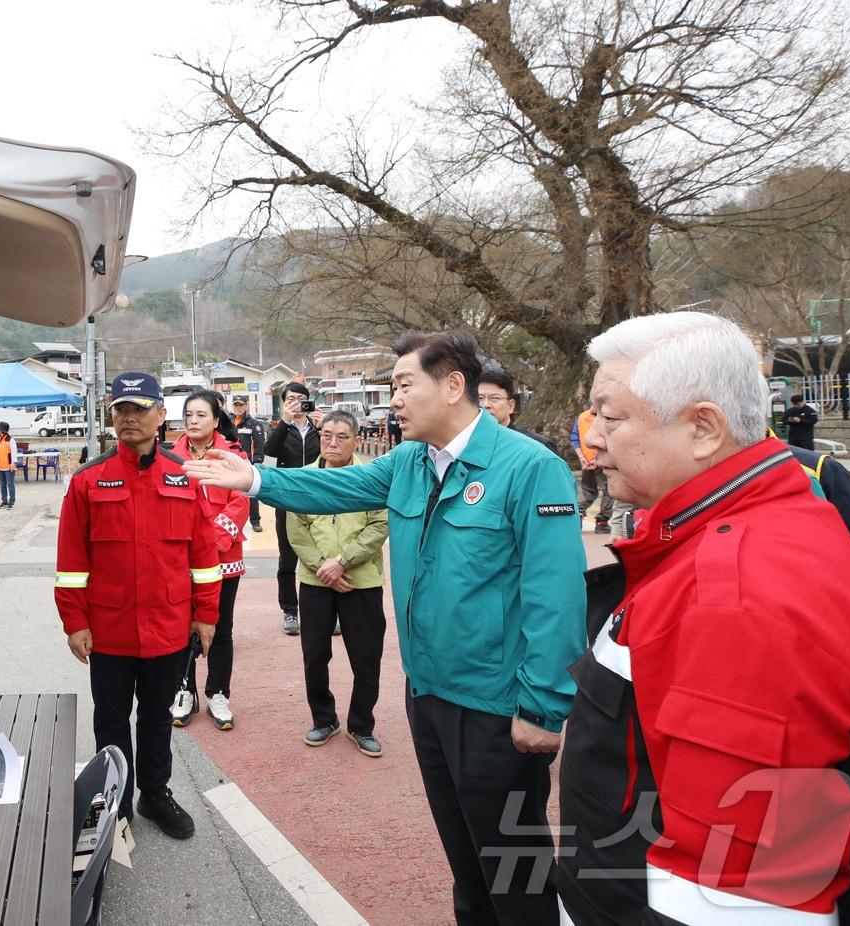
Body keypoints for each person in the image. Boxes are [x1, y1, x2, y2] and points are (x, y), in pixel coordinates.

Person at [186, 331, 586, 925]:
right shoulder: (410, 462)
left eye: (403, 385)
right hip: (427, 695)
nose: (393, 400)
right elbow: (334, 487)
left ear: (453, 386)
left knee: (515, 873)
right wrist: (255, 480)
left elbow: (556, 595)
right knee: (466, 867)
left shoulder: (530, 468)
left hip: (496, 706)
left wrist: (544, 706)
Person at [556, 312, 850, 926]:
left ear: (704, 428)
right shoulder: (739, 533)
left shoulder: (737, 595)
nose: (592, 440)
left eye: (610, 417)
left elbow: (738, 891)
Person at [54, 371, 223, 839]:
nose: (129, 418)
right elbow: (71, 561)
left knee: (157, 716)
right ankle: (114, 802)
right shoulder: (88, 480)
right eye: (121, 410)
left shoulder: (185, 476)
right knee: (110, 719)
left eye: (140, 409)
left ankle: (154, 794)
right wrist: (74, 621)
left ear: (160, 415)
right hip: (109, 629)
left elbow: (204, 555)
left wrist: (206, 614)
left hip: (169, 625)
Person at [284, 411, 388, 758]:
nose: (332, 442)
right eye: (326, 435)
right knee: (314, 655)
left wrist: (342, 562)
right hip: (315, 581)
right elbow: (297, 530)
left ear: (356, 440)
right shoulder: (305, 478)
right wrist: (322, 567)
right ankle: (324, 719)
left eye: (342, 436)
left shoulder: (371, 477)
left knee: (366, 656)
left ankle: (362, 725)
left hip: (362, 580)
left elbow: (379, 525)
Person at [169, 390, 250, 731]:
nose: (193, 421)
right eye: (188, 415)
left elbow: (241, 500)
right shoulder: (169, 458)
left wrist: (213, 540)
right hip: (181, 557)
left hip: (223, 556)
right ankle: (183, 690)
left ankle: (218, 692)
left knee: (221, 627)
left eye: (201, 415)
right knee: (181, 626)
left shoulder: (234, 456)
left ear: (216, 420)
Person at [263, 382, 323, 635]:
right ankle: (290, 610)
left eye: (301, 398)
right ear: (283, 403)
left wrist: (323, 429)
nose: (297, 403)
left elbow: (334, 457)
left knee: (322, 555)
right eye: (291, 399)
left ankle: (322, 612)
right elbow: (268, 459)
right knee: (288, 559)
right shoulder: (279, 429)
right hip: (287, 502)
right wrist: (284, 423)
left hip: (318, 501)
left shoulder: (318, 428)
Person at [477, 369, 557, 453]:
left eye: (494, 398)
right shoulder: (468, 443)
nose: (485, 405)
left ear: (511, 406)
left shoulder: (538, 448)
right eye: (479, 398)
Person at [571, 407, 613, 533]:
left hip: (586, 461)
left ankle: (578, 514)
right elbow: (607, 438)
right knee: (609, 490)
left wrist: (582, 458)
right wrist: (597, 458)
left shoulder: (582, 417)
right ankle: (602, 522)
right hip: (602, 460)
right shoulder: (605, 416)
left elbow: (574, 438)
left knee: (587, 490)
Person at [230, 395, 267, 532]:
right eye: (236, 405)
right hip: (231, 463)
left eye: (241, 405)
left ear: (246, 406)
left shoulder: (254, 424)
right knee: (231, 494)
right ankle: (233, 521)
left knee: (252, 492)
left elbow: (259, 445)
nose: (238, 408)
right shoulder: (229, 422)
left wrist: (256, 463)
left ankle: (255, 521)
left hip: (248, 464)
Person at [0, 421, 16, 509]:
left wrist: (13, 463)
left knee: (10, 484)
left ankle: (11, 502)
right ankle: (4, 501)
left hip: (8, 466)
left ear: (2, 430)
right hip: (0, 466)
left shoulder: (10, 440)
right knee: (2, 485)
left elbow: (14, 452)